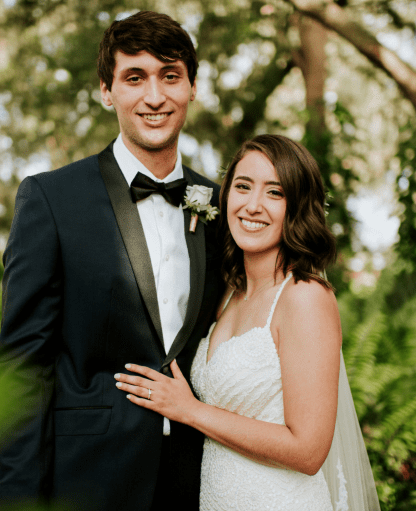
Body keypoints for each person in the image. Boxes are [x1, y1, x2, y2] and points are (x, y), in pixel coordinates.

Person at [0, 11, 223, 511]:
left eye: (170, 76)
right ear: (106, 91)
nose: (155, 96)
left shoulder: (221, 206)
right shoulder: (51, 199)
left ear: (192, 87)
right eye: (134, 78)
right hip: (88, 482)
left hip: (202, 480)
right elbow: (22, 371)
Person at [116, 134, 381, 510]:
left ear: (297, 207)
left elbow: (308, 451)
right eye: (243, 186)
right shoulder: (228, 292)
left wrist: (190, 410)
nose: (253, 205)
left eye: (275, 192)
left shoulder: (304, 297)